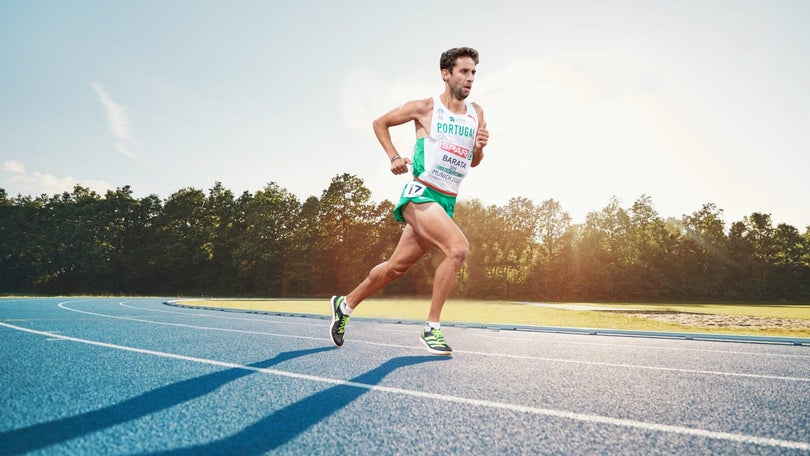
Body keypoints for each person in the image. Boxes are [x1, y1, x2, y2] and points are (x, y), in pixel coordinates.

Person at [329, 47, 489, 356]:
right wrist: (393, 157)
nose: (470, 79)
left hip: (446, 201)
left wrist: (480, 148)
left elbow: (474, 162)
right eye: (464, 72)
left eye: (473, 73)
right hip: (421, 194)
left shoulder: (477, 113)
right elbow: (380, 123)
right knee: (458, 250)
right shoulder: (425, 108)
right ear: (446, 74)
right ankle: (432, 329)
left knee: (394, 269)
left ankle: (345, 305)